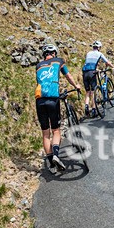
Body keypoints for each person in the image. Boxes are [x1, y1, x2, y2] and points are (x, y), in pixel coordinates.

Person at [35, 43, 81, 172]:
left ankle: (51, 164)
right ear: (54, 53)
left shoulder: (38, 66)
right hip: (52, 100)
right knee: (56, 130)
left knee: (45, 133)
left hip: (39, 101)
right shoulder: (59, 61)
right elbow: (68, 76)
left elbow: (41, 83)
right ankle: (56, 155)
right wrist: (76, 85)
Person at [82, 41, 114, 117]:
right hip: (92, 73)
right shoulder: (99, 54)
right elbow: (107, 62)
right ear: (99, 47)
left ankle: (86, 106)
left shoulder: (88, 53)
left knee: (87, 92)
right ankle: (94, 109)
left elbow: (89, 63)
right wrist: (113, 66)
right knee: (93, 91)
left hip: (84, 72)